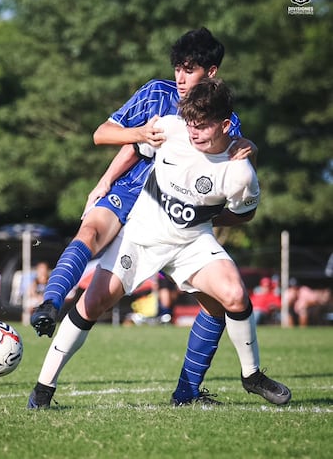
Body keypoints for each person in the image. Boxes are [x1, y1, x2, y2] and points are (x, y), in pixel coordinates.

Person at [28, 78, 291, 409]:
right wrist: (105, 182)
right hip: (140, 238)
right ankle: (42, 391)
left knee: (234, 294)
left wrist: (206, 219)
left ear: (225, 124)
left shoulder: (240, 173)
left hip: (192, 243)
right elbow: (134, 149)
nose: (194, 132)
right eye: (191, 123)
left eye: (203, 125)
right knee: (92, 303)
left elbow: (244, 215)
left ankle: (251, 376)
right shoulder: (170, 128)